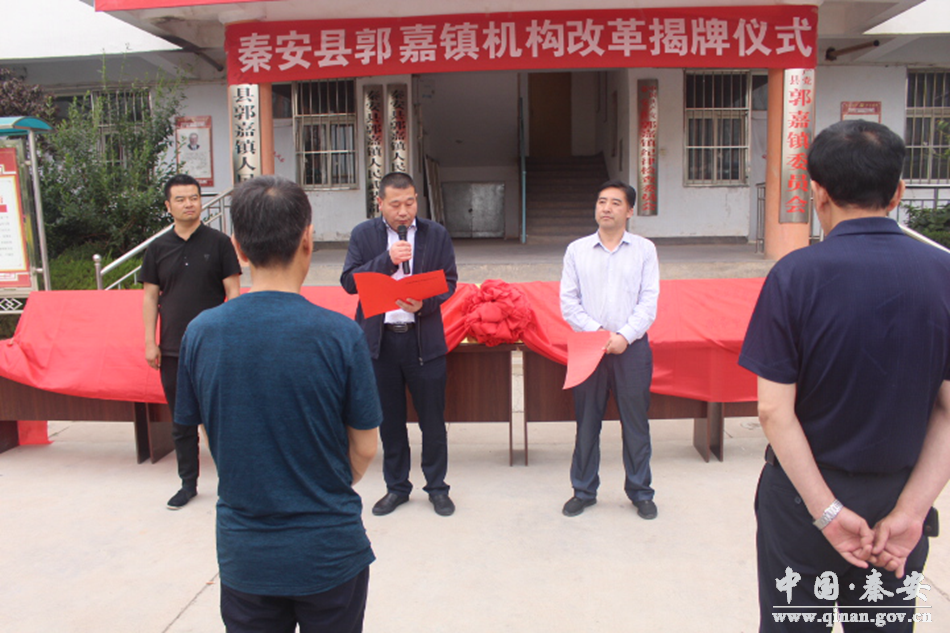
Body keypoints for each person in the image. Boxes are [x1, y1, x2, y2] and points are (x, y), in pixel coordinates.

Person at [739, 120, 950, 631]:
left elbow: (774, 411)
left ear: (818, 192)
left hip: (802, 501)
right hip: (897, 503)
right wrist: (911, 513)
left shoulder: (795, 276)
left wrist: (828, 513)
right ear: (898, 192)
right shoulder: (944, 274)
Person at [175, 176, 381, 632]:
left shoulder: (201, 333)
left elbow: (210, 435)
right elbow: (366, 446)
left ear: (238, 248)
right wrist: (322, 481)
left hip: (246, 555)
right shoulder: (340, 335)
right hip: (329, 550)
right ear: (308, 240)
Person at [341, 172, 458, 517]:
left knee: (432, 422)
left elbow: (449, 281)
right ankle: (397, 488)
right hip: (380, 344)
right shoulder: (364, 234)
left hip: (423, 342)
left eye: (409, 203)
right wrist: (386, 260)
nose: (403, 211)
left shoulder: (436, 234)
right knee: (390, 422)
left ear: (417, 200)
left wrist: (425, 303)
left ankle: (437, 488)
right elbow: (349, 282)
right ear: (380, 203)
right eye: (395, 205)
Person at [559, 180, 660, 519]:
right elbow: (569, 302)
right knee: (587, 423)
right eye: (602, 201)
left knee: (635, 423)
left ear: (629, 211)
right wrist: (600, 334)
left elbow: (648, 301)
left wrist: (625, 336)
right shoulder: (577, 250)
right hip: (590, 347)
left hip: (631, 348)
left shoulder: (644, 250)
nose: (606, 208)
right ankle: (583, 490)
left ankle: (641, 492)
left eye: (616, 203)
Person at [142, 173, 241, 510]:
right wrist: (150, 341)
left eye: (194, 198)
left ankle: (232, 484)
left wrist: (230, 338)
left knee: (220, 420)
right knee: (182, 421)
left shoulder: (219, 243)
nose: (189, 204)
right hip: (172, 349)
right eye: (181, 199)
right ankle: (188, 484)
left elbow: (233, 292)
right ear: (168, 206)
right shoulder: (157, 248)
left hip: (213, 348)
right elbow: (150, 297)